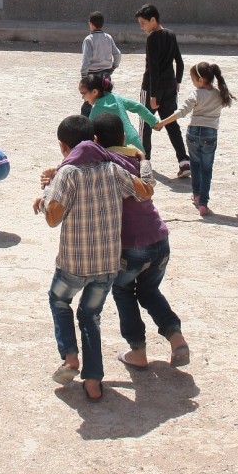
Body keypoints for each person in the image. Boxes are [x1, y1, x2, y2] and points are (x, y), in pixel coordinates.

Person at [34, 114, 153, 402]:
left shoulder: (68, 174)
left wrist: (48, 191)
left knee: (59, 300)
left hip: (73, 263)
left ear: (64, 147)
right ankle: (93, 380)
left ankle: (71, 357)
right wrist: (144, 161)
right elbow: (145, 192)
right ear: (95, 140)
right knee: (90, 316)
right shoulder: (113, 169)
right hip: (108, 264)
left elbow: (53, 219)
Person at [90, 112, 190, 370]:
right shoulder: (136, 160)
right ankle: (176, 338)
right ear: (124, 136)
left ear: (95, 140)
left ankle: (138, 351)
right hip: (159, 237)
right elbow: (148, 183)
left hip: (131, 247)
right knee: (148, 290)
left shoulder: (104, 167)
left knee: (123, 291)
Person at [157, 60, 235, 217]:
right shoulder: (220, 94)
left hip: (193, 133)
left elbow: (181, 112)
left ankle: (196, 194)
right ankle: (203, 204)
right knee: (207, 169)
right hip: (210, 134)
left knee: (195, 164)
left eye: (193, 79)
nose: (192, 83)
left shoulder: (196, 94)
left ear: (200, 79)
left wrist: (162, 122)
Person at [135, 3, 190, 175]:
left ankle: (145, 161)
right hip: (170, 87)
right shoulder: (171, 34)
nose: (142, 27)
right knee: (171, 123)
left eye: (143, 23)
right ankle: (183, 160)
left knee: (145, 126)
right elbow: (179, 62)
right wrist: (177, 82)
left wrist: (152, 96)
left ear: (153, 20)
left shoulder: (152, 39)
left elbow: (153, 69)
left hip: (152, 88)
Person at [79, 73, 158, 152]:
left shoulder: (96, 109)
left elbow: (90, 134)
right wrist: (153, 122)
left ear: (94, 92)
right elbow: (138, 106)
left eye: (83, 94)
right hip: (134, 142)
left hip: (118, 149)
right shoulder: (117, 98)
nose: (83, 97)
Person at [79, 11, 121, 114]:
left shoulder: (89, 40)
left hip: (92, 77)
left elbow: (86, 60)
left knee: (88, 104)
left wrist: (84, 76)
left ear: (91, 24)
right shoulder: (108, 37)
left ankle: (86, 125)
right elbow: (117, 54)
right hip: (106, 75)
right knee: (105, 99)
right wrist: (113, 67)